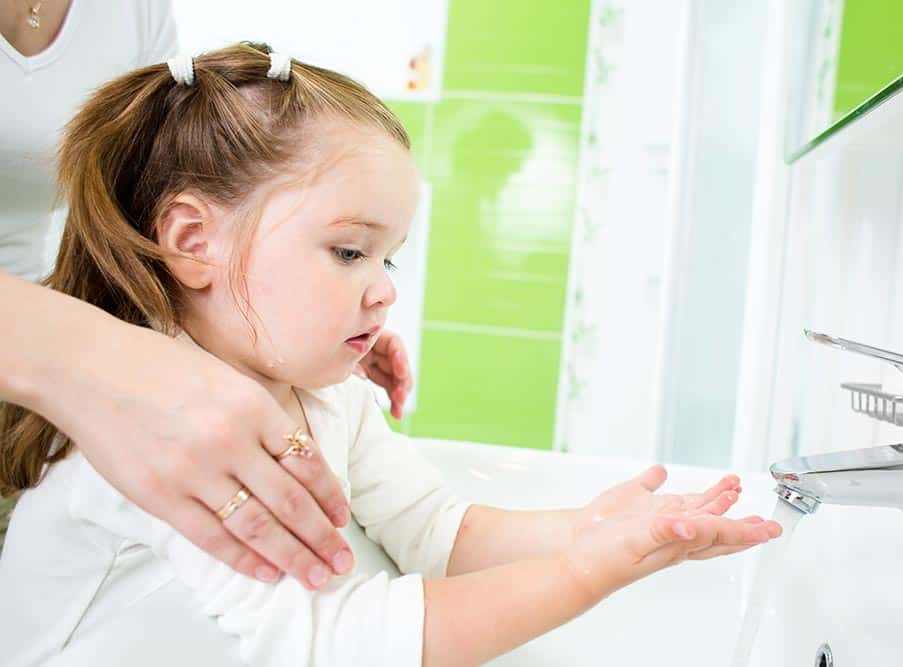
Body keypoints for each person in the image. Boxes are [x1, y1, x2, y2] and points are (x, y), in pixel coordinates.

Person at [0, 43, 782, 666]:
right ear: (194, 242)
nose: (383, 293)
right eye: (348, 251)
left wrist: (583, 530)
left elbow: (434, 529)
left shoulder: (328, 395)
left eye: (389, 259)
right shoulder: (158, 440)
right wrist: (581, 576)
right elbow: (335, 643)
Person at [0, 0, 412, 587]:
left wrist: (312, 320)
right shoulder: (91, 455)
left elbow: (145, 200)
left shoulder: (130, 14)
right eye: (348, 250)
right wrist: (90, 357)